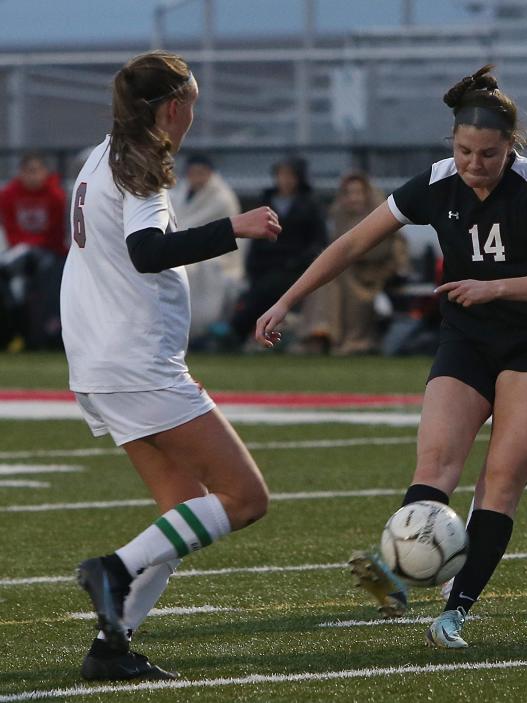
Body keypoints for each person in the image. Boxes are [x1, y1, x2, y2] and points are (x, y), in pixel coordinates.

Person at [256, 64, 527, 648]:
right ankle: (403, 575)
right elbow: (354, 242)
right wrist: (287, 301)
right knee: (434, 466)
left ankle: (456, 610)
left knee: (501, 480)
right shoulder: (437, 181)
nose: (474, 165)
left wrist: (496, 286)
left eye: (487, 154)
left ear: (510, 148)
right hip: (467, 339)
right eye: (464, 151)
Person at [61, 50, 280, 680]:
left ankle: (111, 648)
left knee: (182, 506)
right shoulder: (143, 166)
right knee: (244, 498)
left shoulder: (101, 154)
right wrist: (232, 226)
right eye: (194, 105)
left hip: (107, 360)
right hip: (133, 363)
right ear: (175, 107)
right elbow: (147, 251)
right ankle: (115, 569)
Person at [297, 171, 406, 355]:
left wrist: (350, 252)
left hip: (373, 276)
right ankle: (320, 332)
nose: (353, 198)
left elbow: (382, 253)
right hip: (346, 273)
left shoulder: (382, 214)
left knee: (338, 279)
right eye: (348, 193)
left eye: (357, 192)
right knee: (324, 278)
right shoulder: (338, 216)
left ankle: (349, 337)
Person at [229, 155, 325, 347]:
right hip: (265, 267)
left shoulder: (311, 205)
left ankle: (238, 332)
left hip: (295, 268)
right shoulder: (265, 202)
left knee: (265, 292)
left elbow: (318, 242)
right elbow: (255, 242)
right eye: (281, 175)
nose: (285, 181)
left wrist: (296, 262)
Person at [169, 153, 244, 342]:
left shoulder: (222, 198)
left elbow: (204, 229)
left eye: (201, 173)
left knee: (190, 270)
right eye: (193, 173)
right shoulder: (180, 192)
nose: (196, 177)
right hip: (184, 248)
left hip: (217, 255)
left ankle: (196, 330)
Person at [0, 152, 67, 349]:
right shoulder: (8, 195)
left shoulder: (55, 195)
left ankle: (28, 330)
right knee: (15, 283)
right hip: (20, 254)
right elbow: (11, 229)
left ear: (45, 172)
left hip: (48, 252)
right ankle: (14, 328)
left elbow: (55, 233)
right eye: (28, 172)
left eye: (36, 171)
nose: (32, 176)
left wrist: (30, 246)